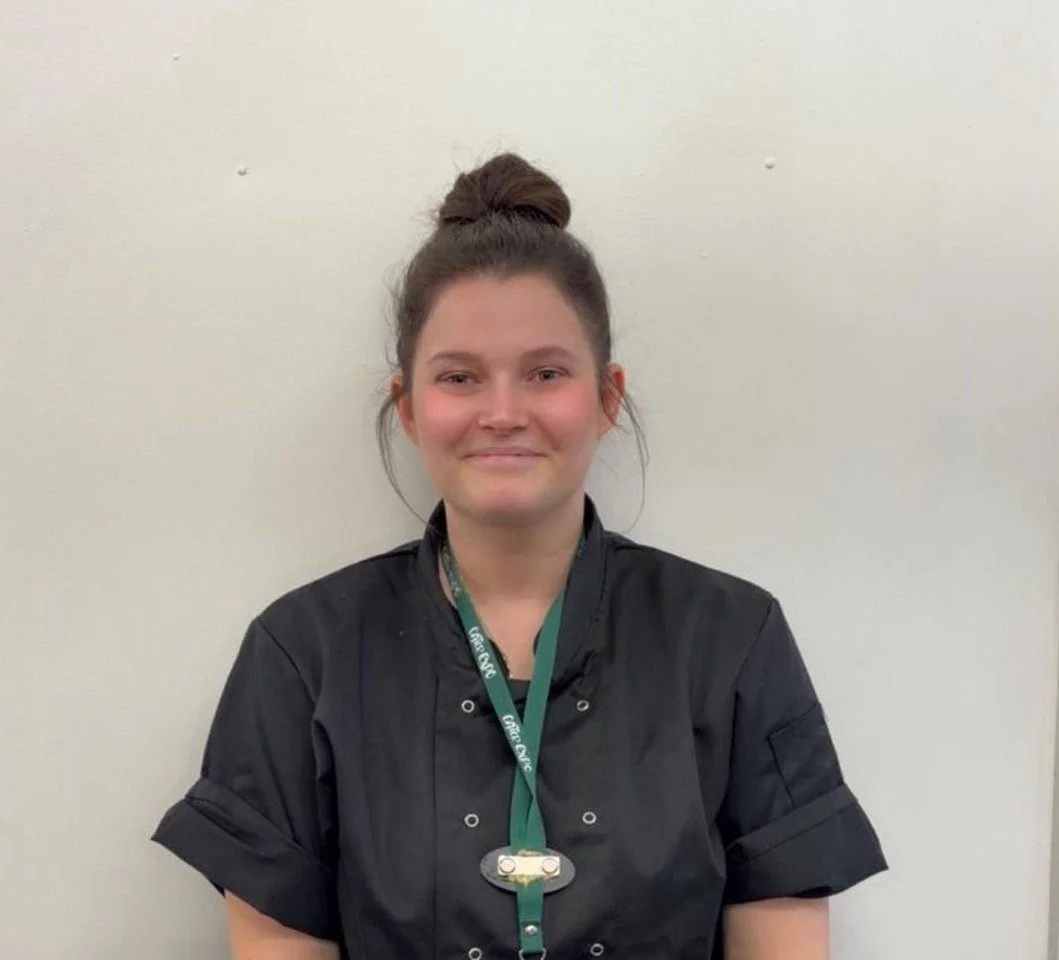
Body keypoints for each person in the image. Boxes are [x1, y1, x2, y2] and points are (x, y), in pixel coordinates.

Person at [152, 152, 887, 960]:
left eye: (544, 373)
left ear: (606, 396)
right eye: (460, 377)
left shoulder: (730, 639)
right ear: (406, 405)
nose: (502, 412)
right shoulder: (302, 655)